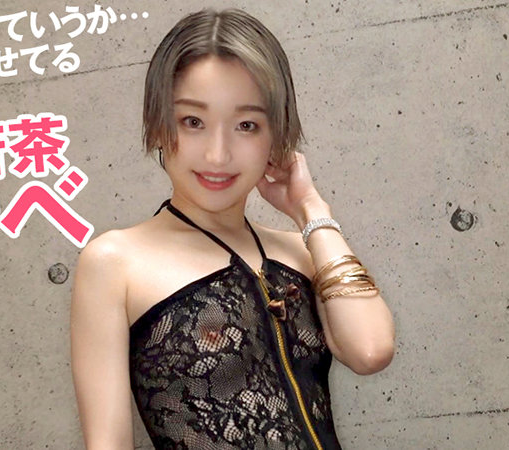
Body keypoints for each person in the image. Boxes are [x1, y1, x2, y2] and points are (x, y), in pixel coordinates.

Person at [70, 8, 395, 450]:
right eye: (193, 122)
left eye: (246, 125)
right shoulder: (116, 263)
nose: (218, 155)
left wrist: (310, 210)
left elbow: (371, 350)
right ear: (159, 124)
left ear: (275, 135)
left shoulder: (300, 251)